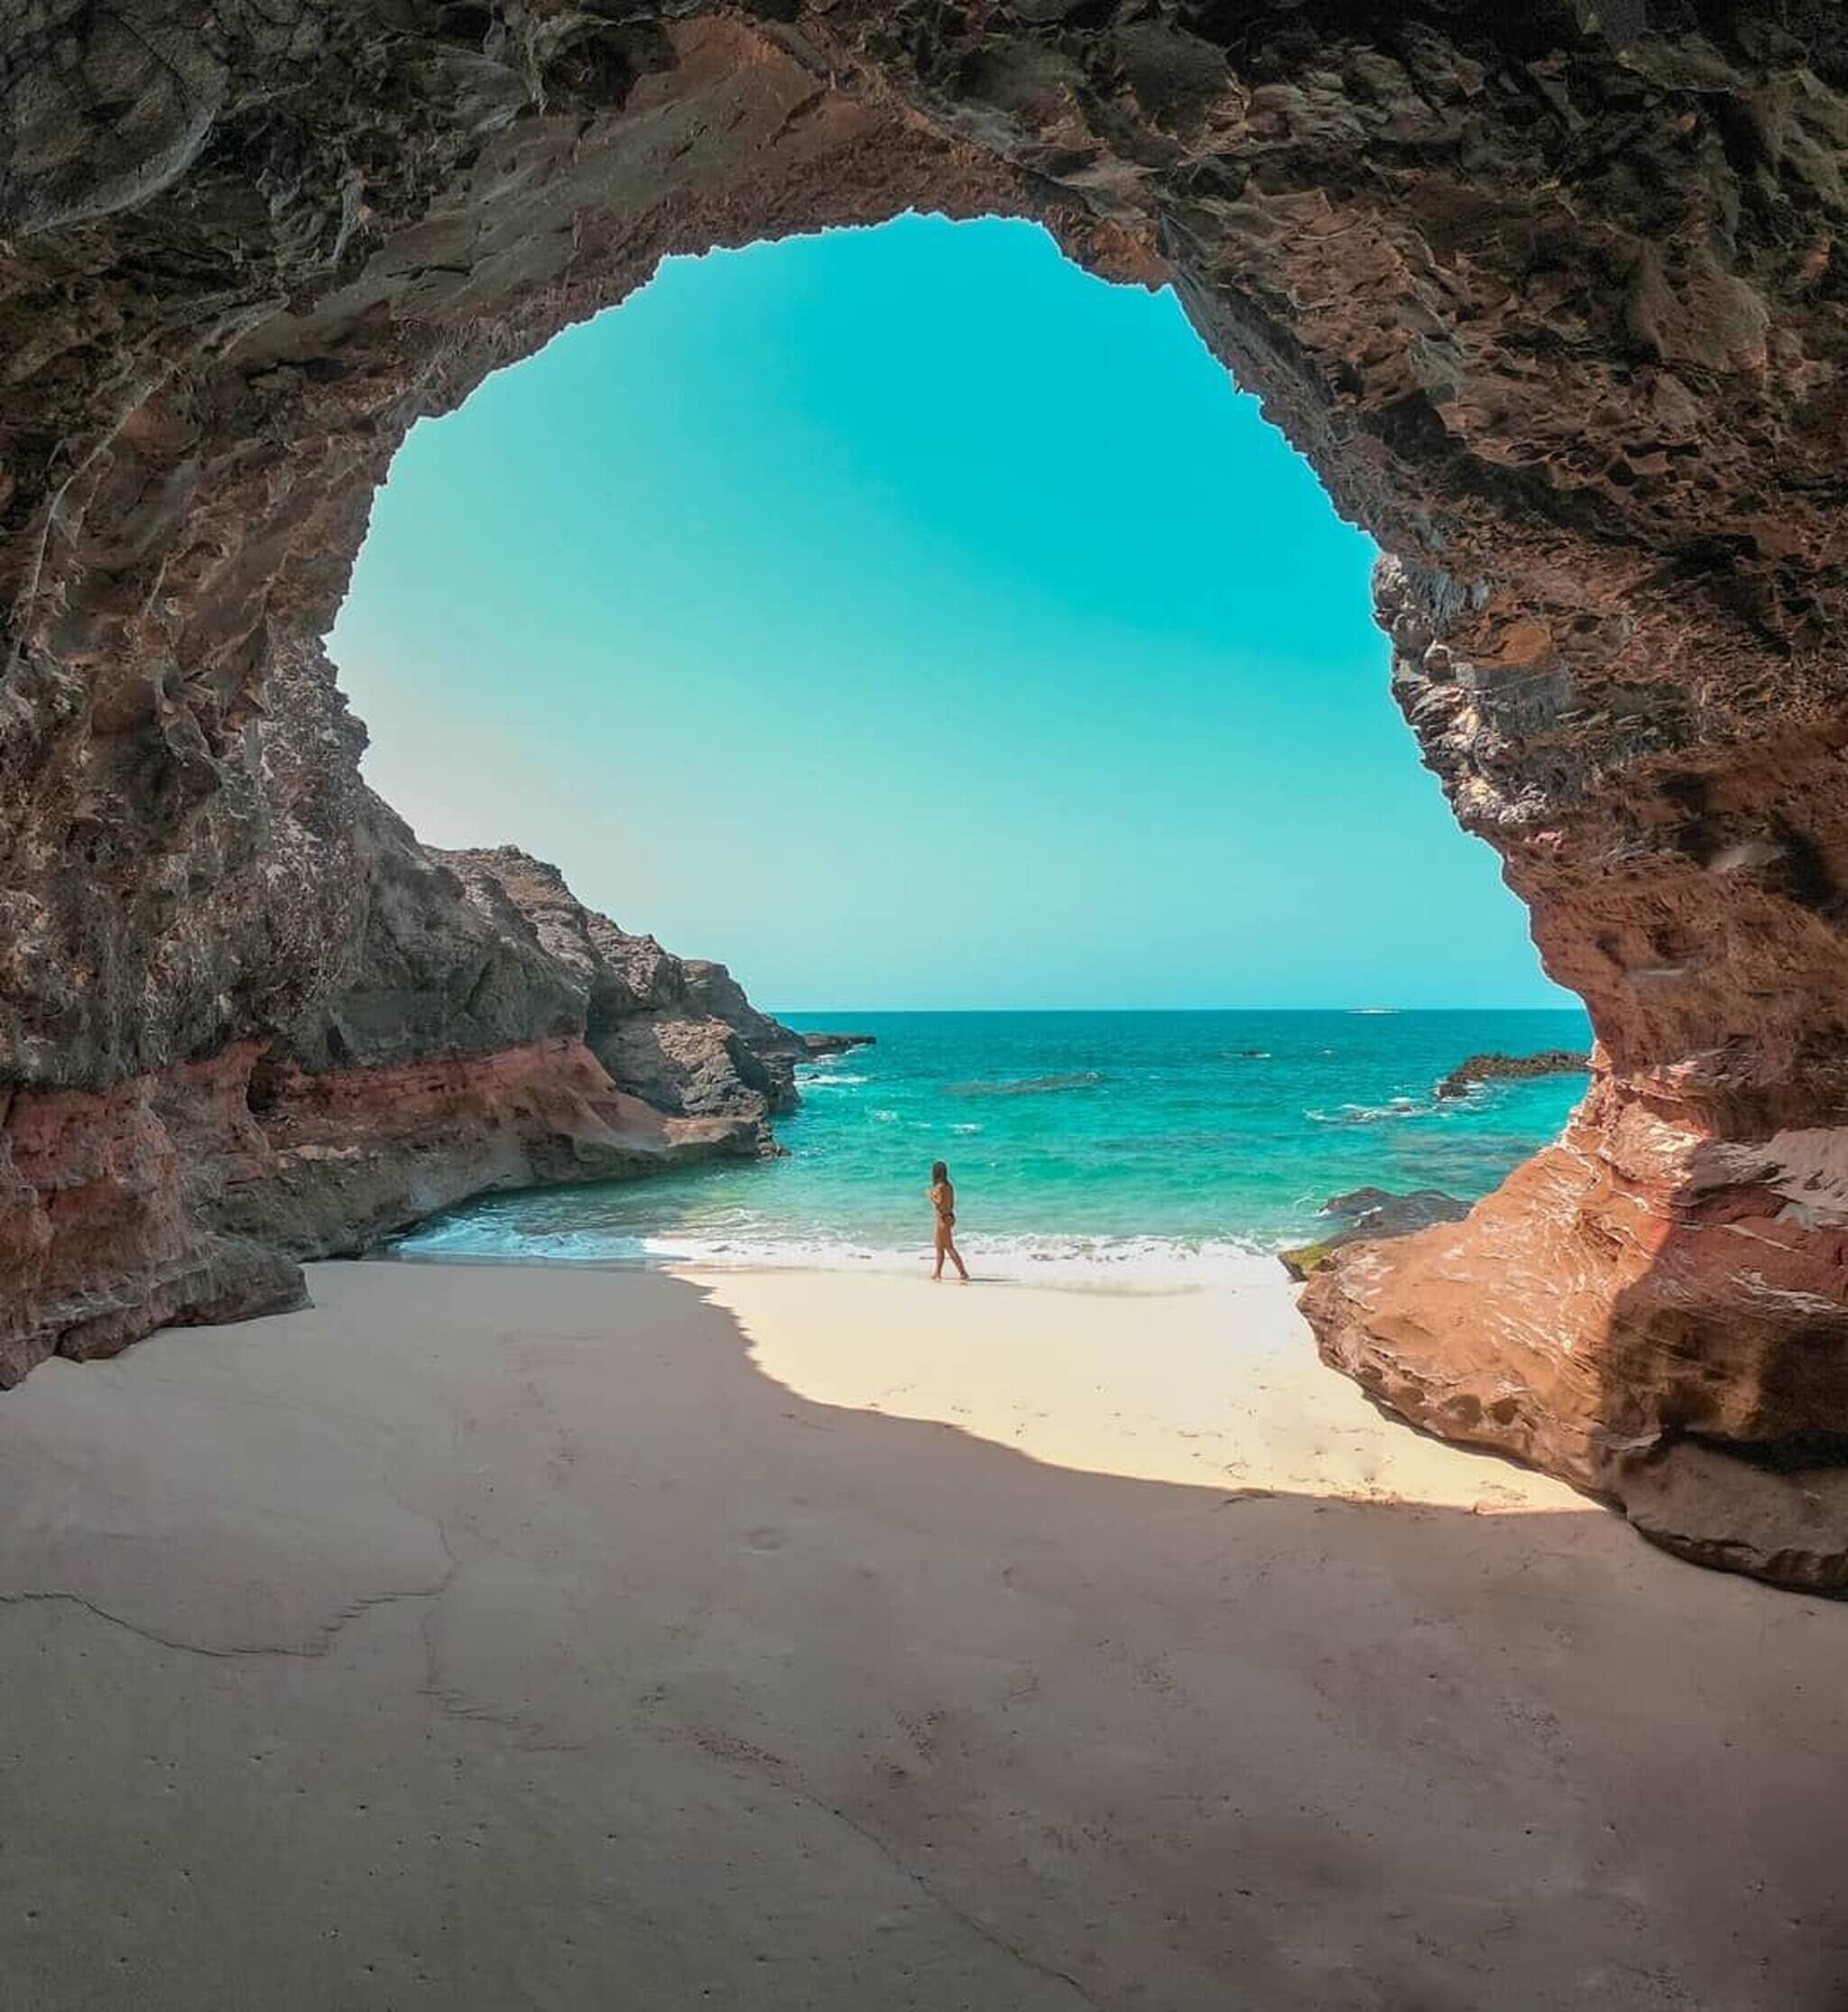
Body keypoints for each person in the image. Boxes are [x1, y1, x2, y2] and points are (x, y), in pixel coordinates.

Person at [928, 1160, 969, 1283]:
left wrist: (931, 1196)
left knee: (949, 1247)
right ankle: (937, 1273)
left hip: (943, 1218)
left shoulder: (939, 1187)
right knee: (939, 1247)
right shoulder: (949, 1185)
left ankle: (963, 1273)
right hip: (949, 1216)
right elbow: (950, 1202)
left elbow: (939, 1202)